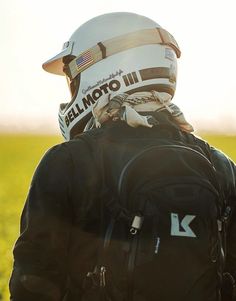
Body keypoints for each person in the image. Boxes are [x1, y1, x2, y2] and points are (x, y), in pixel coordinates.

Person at [9, 12, 236, 301]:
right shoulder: (220, 165)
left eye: (72, 80)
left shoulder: (68, 161)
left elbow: (32, 282)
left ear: (103, 73)